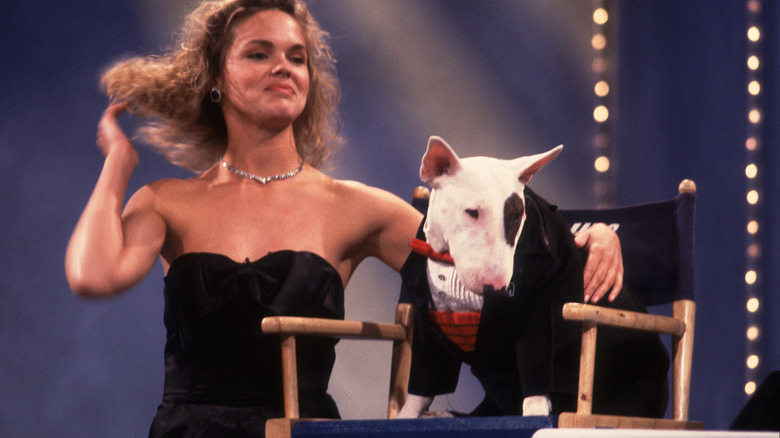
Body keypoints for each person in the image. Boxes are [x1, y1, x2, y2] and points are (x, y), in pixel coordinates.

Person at [64, 0, 624, 436]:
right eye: (259, 53)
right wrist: (118, 165)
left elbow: (493, 256)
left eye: (296, 56)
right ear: (215, 78)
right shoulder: (165, 201)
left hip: (304, 434)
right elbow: (92, 276)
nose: (282, 66)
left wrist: (592, 236)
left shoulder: (355, 206)